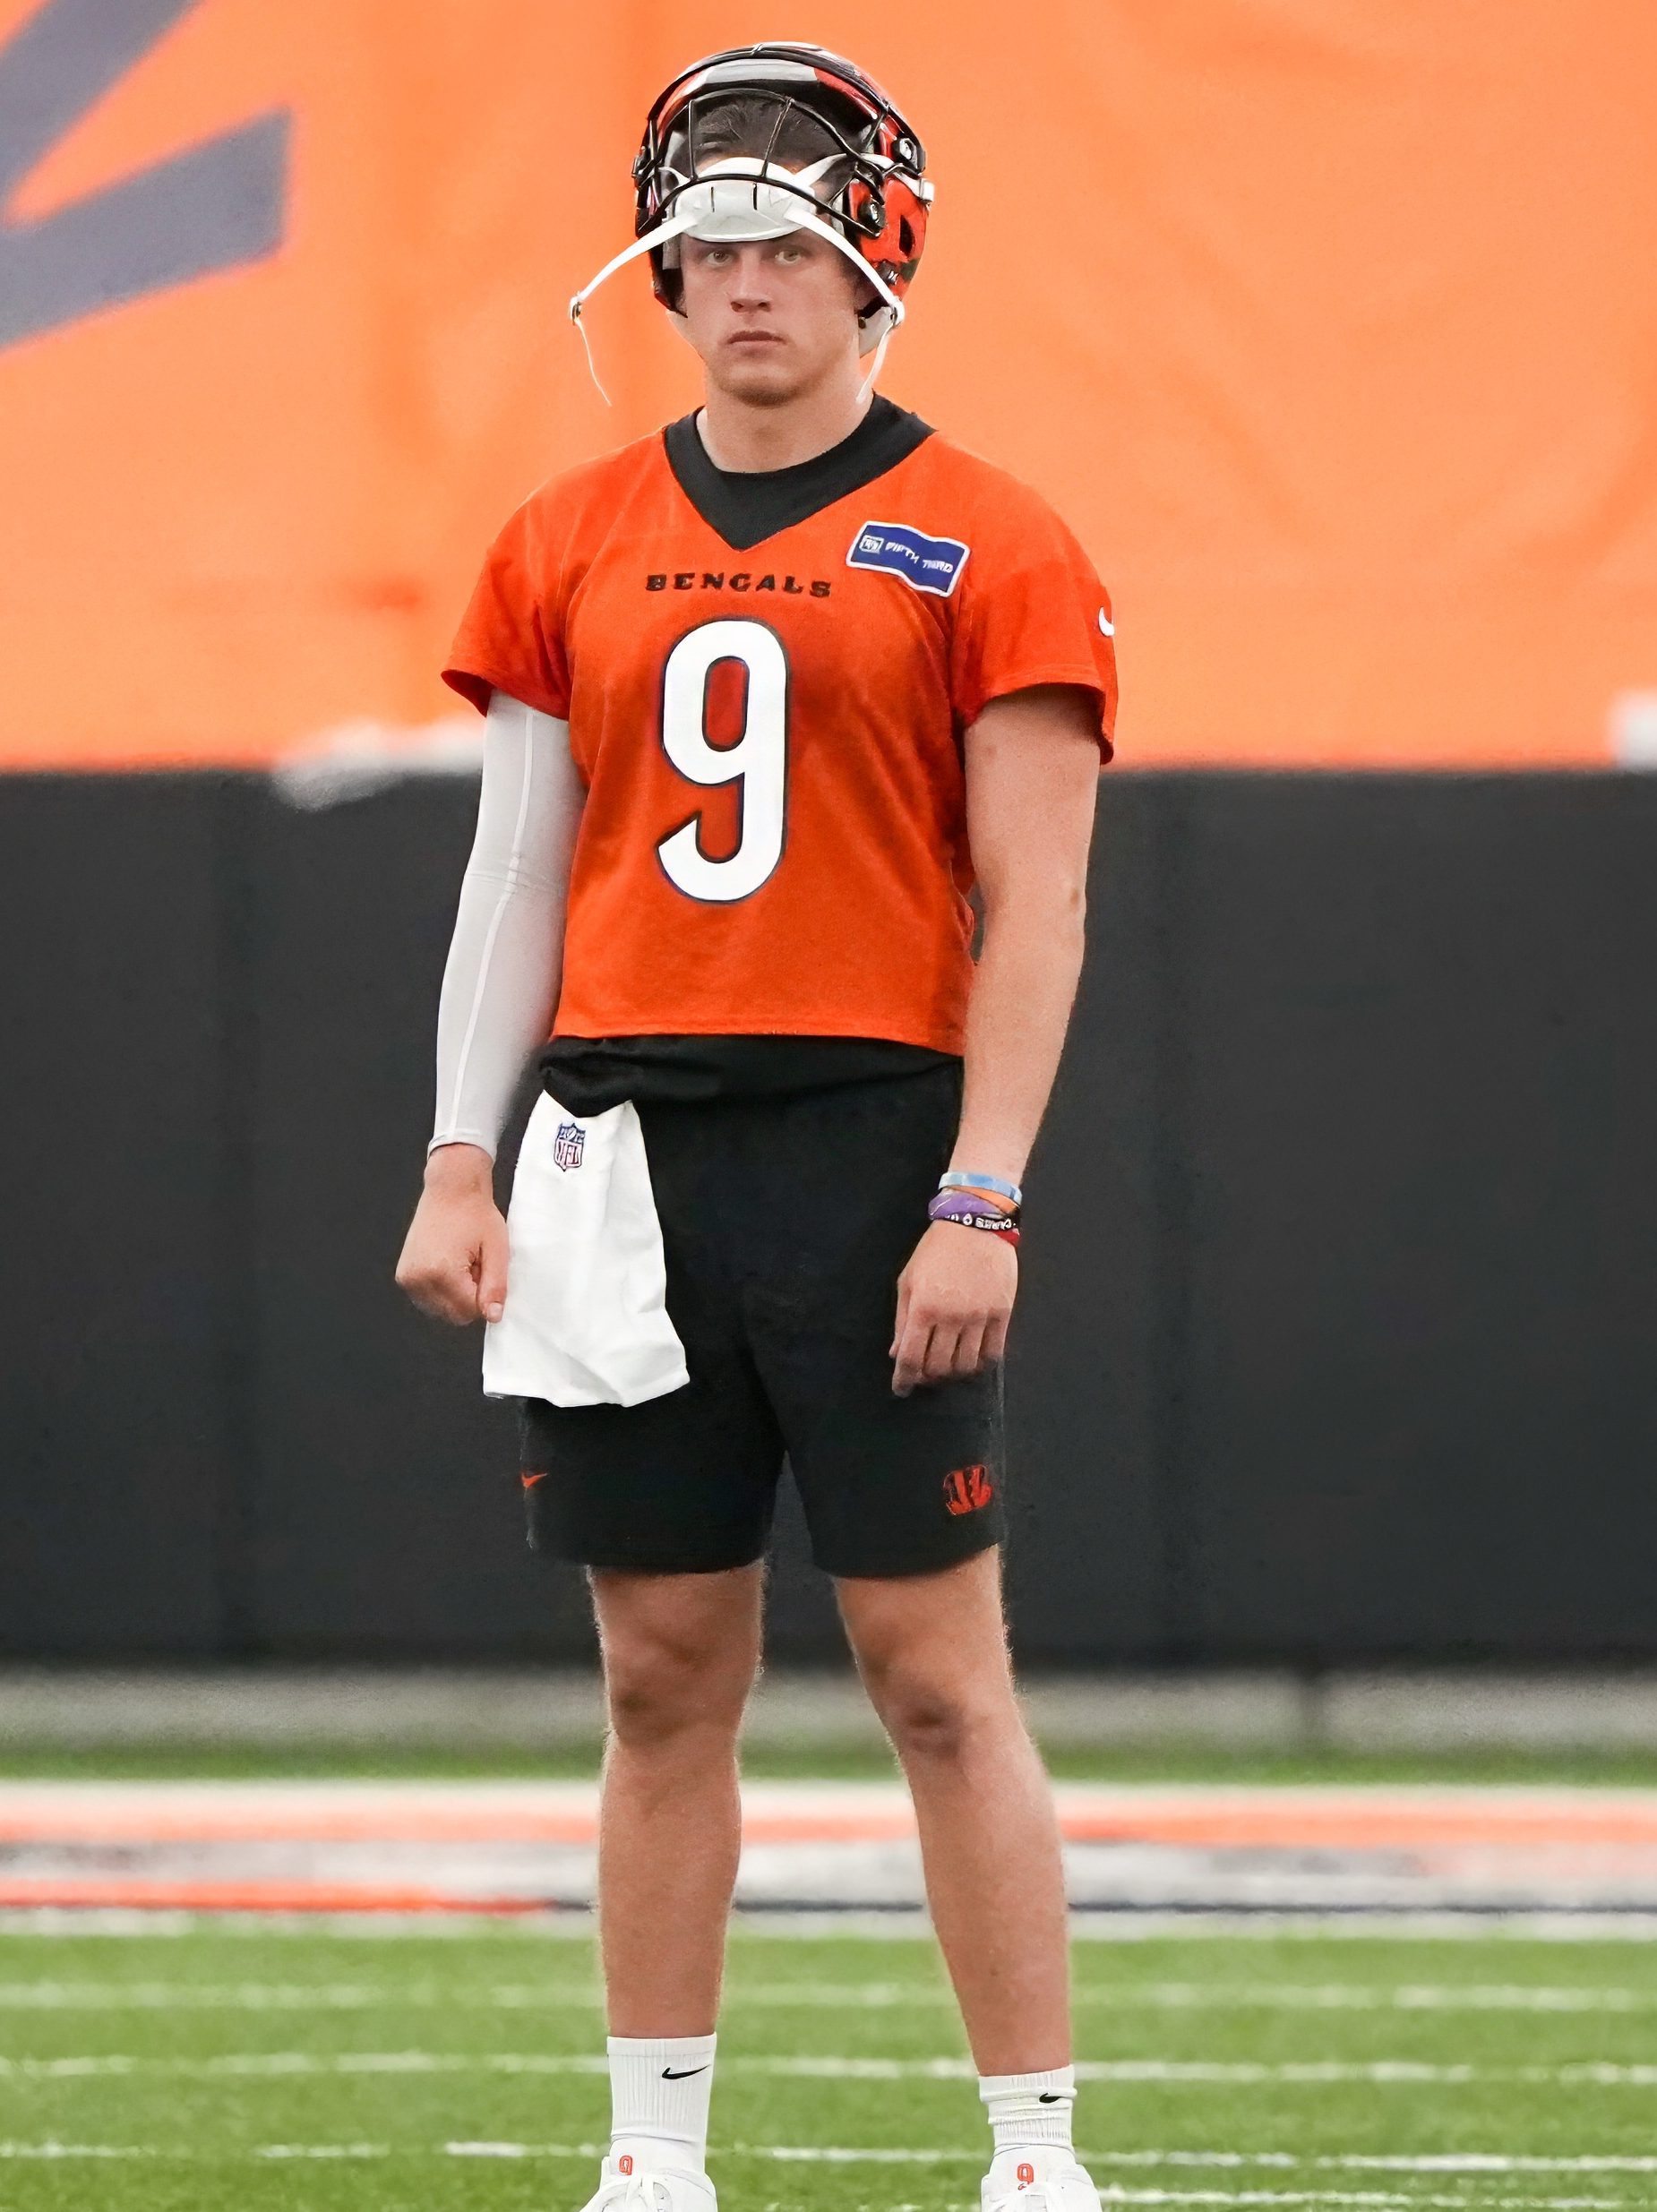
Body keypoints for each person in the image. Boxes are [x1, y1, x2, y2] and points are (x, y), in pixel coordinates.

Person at [395, 41, 1118, 2212]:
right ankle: (653, 2151)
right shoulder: (565, 533)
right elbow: (515, 870)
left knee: (934, 1672)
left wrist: (981, 1188)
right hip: (621, 1142)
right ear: (662, 273)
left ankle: (1032, 2153)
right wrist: (455, 1151)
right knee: (657, 1670)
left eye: (786, 244)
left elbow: (1041, 900)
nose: (743, 283)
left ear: (872, 262)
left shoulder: (990, 532)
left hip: (875, 1138)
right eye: (707, 248)